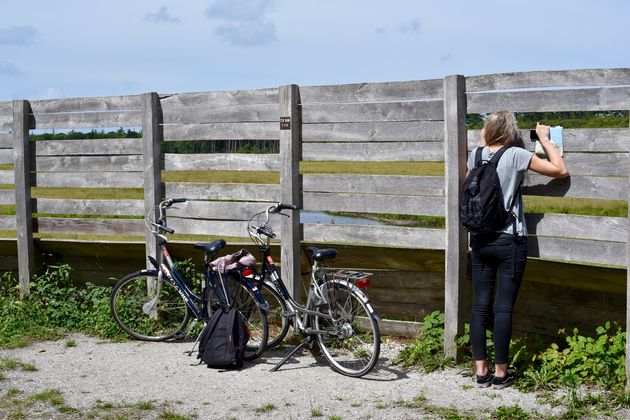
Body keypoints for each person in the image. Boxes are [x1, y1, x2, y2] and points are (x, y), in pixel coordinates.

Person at [467, 111, 569, 389]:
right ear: (511, 132)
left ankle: (481, 372)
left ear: (487, 130)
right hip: (510, 240)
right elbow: (560, 171)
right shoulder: (515, 155)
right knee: (502, 308)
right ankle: (501, 374)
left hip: (479, 240)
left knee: (479, 306)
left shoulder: (474, 155)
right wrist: (546, 140)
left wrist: (483, 140)